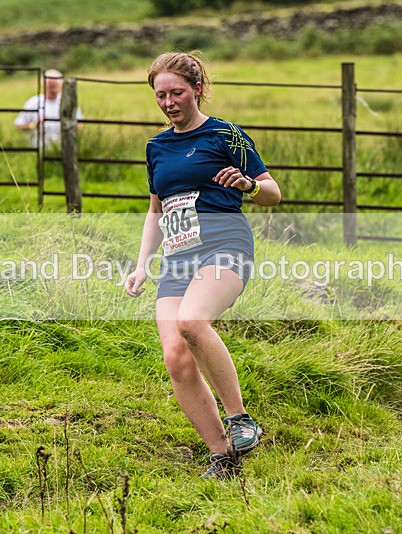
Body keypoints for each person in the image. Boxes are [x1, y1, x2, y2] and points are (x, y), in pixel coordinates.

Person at [125, 51, 282, 480]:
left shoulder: (225, 135)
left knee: (192, 322)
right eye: (160, 95)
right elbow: (156, 211)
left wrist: (249, 185)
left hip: (225, 246)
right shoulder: (156, 147)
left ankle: (240, 419)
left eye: (177, 92)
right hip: (178, 257)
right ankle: (223, 456)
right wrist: (142, 265)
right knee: (176, 356)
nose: (169, 102)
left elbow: (273, 193)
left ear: (196, 89)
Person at [14, 69, 84, 148]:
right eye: (50, 86)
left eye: (55, 85)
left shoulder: (67, 103)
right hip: (39, 146)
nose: (53, 90)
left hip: (62, 147)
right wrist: (34, 125)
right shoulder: (34, 102)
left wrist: (68, 125)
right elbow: (18, 125)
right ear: (44, 85)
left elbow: (80, 125)